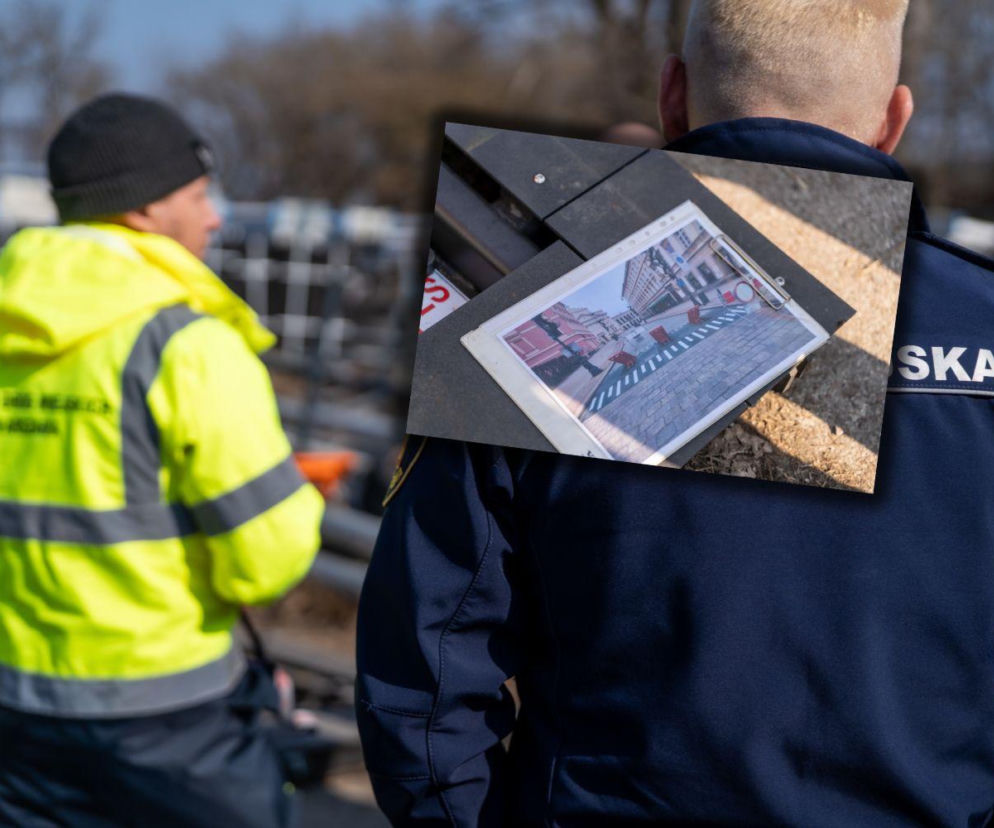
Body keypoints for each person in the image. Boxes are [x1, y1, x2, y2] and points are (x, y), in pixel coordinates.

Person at [357, 1, 994, 825]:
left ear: (673, 95)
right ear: (892, 119)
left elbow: (425, 669)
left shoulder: (522, 313)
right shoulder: (977, 321)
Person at [0, 94, 325, 827]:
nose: (213, 217)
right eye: (199, 194)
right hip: (170, 717)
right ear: (145, 209)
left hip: (17, 711)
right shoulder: (187, 344)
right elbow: (268, 559)